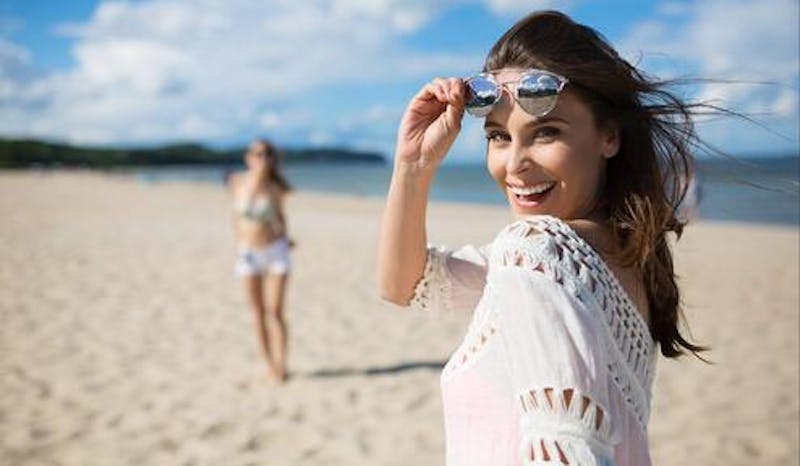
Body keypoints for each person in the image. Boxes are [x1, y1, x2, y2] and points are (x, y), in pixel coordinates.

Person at [378, 10, 707, 466]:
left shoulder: (536, 250)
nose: (514, 164)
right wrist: (413, 165)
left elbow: (569, 450)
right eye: (498, 137)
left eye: (545, 132)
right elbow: (407, 285)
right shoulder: (620, 251)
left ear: (608, 135)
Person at [229, 138, 293, 384]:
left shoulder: (276, 188)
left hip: (276, 251)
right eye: (258, 154)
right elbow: (235, 216)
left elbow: (281, 217)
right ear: (248, 157)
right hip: (248, 253)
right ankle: (269, 363)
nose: (263, 158)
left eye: (267, 154)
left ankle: (282, 364)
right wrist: (238, 241)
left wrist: (287, 238)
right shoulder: (237, 182)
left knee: (275, 311)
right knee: (257, 313)